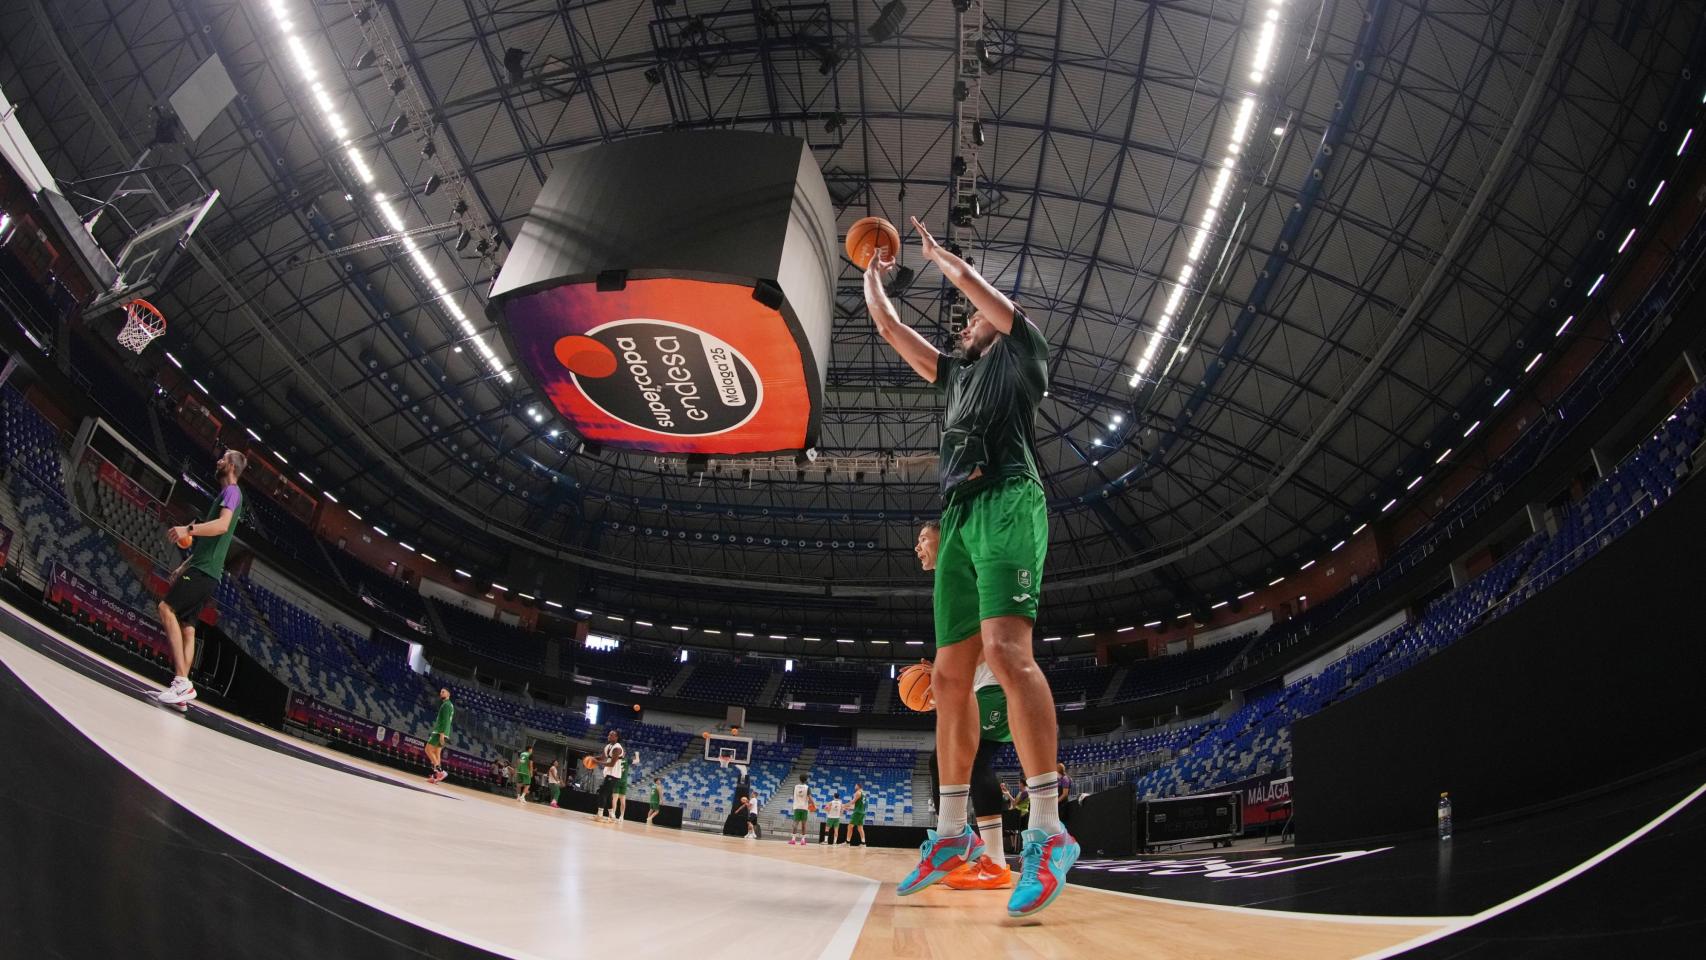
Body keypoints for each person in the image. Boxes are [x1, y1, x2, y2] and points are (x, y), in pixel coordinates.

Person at [867, 225, 1076, 919]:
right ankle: (952, 836)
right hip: (956, 516)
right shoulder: (953, 375)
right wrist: (871, 269)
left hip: (1011, 501)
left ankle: (1047, 832)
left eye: (978, 312)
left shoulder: (1022, 354)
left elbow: (990, 298)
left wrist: (943, 262)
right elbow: (890, 328)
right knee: (951, 676)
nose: (970, 318)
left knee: (1007, 653)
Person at [916, 520, 1017, 890]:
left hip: (993, 683)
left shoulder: (964, 574)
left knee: (973, 763)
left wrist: (951, 676)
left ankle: (991, 860)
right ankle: (958, 846)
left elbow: (984, 634)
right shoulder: (950, 580)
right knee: (942, 761)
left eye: (923, 538)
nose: (917, 547)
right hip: (979, 685)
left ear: (944, 540)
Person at [154, 450, 247, 706]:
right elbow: (209, 543)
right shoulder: (225, 494)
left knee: (166, 608)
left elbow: (221, 526)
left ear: (230, 466)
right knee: (188, 628)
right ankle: (182, 694)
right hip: (204, 568)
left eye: (223, 458)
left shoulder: (232, 492)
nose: (218, 460)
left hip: (205, 570)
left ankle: (182, 683)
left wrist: (188, 528)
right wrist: (184, 565)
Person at [424, 688, 454, 783]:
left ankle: (441, 772)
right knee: (437, 754)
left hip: (439, 732)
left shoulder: (446, 705)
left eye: (443, 692)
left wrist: (441, 734)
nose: (441, 693)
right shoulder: (450, 705)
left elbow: (445, 721)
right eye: (440, 692)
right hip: (444, 732)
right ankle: (435, 776)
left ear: (449, 694)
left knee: (428, 749)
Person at [595, 729, 625, 821]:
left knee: (602, 792)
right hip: (608, 773)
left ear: (616, 737)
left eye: (611, 735)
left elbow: (612, 764)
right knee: (608, 795)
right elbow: (603, 757)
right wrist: (592, 758)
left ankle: (600, 814)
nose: (609, 736)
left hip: (614, 774)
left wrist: (598, 762)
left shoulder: (617, 748)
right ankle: (612, 815)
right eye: (609, 734)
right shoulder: (608, 746)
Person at [789, 774, 815, 846]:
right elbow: (810, 797)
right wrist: (813, 805)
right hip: (804, 808)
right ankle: (803, 840)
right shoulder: (807, 788)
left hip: (797, 807)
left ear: (799, 779)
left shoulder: (795, 787)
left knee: (795, 824)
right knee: (803, 824)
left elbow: (793, 796)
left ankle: (793, 840)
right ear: (806, 780)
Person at [614, 748, 638, 821]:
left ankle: (614, 815)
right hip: (622, 781)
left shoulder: (615, 759)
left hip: (617, 781)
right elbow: (637, 761)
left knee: (616, 800)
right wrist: (637, 754)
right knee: (621, 800)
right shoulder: (627, 760)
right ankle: (621, 816)